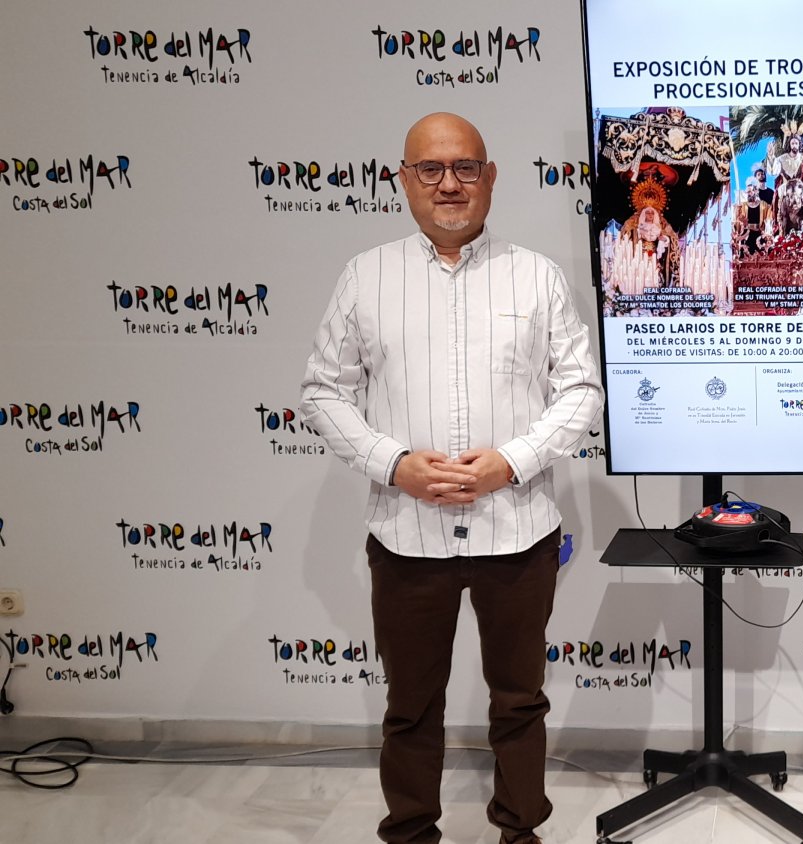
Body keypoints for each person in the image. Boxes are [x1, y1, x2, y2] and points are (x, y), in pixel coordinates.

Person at [300, 112, 603, 844]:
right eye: (430, 169)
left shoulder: (537, 275)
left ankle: (520, 831)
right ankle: (410, 832)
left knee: (519, 702)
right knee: (409, 706)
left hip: (518, 530)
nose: (448, 184)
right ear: (403, 180)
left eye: (465, 168)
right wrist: (393, 465)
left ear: (490, 177)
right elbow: (321, 393)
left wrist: (514, 460)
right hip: (407, 538)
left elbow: (581, 391)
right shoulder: (365, 277)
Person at [770, 134, 803, 238]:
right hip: (786, 186)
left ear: (799, 145)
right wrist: (771, 157)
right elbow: (774, 171)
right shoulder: (781, 159)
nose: (794, 145)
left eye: (796, 143)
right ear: (790, 145)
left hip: (799, 187)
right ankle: (778, 223)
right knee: (778, 200)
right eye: (792, 143)